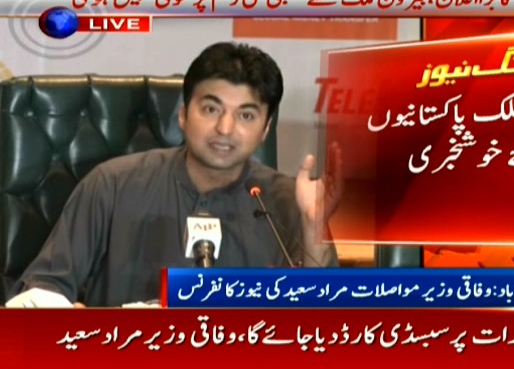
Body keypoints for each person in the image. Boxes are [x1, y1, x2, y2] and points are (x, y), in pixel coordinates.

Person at [5, 42, 342, 308]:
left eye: (246, 116)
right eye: (211, 109)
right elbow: (42, 291)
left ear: (265, 129)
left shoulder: (288, 201)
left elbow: (323, 317)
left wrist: (313, 228)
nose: (225, 128)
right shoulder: (111, 185)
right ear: (183, 114)